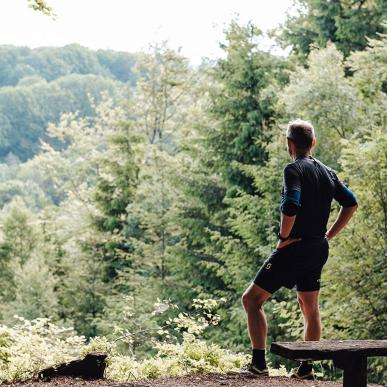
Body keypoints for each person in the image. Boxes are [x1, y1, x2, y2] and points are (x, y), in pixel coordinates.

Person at [240, 119, 358, 380]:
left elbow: (291, 204)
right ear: (313, 143)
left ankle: (258, 364)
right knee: (310, 307)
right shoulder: (328, 172)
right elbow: (351, 203)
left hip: (295, 248)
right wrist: (329, 234)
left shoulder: (293, 170)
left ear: (289, 144)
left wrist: (283, 236)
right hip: (318, 248)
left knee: (251, 300)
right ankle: (306, 368)